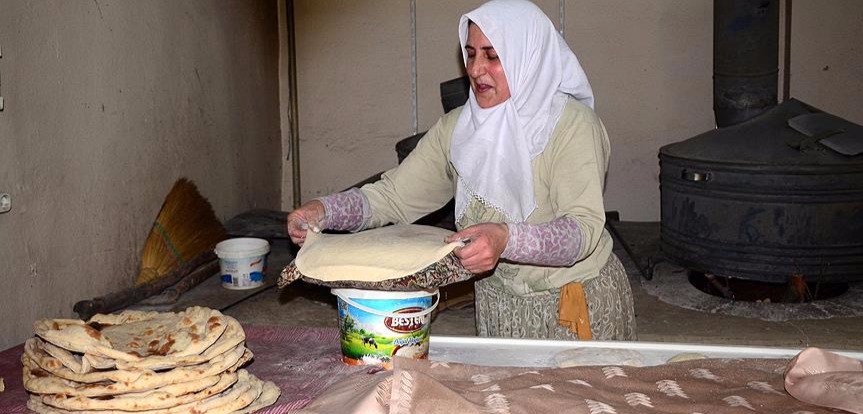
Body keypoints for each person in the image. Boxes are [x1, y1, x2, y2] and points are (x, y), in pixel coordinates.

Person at [287, 0, 636, 341]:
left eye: (492, 56)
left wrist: (506, 238)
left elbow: (581, 231)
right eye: (470, 53)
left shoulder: (571, 126)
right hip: (499, 309)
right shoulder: (459, 129)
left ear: (527, 57)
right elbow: (394, 197)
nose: (475, 68)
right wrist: (325, 210)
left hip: (573, 308)